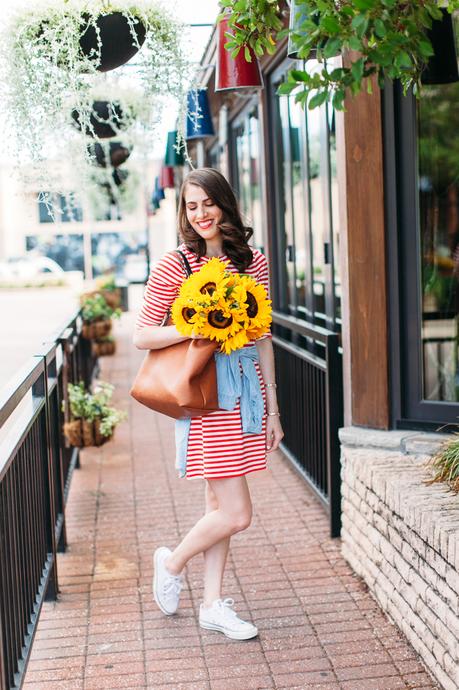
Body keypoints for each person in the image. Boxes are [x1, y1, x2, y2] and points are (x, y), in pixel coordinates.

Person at [133, 167, 284, 640]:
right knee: (237, 513)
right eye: (191, 206)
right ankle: (173, 562)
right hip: (207, 395)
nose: (200, 214)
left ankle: (213, 603)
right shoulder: (177, 264)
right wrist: (194, 327)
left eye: (208, 203)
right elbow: (141, 334)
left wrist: (274, 410)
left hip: (248, 394)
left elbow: (263, 340)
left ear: (225, 203)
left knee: (218, 504)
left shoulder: (252, 263)